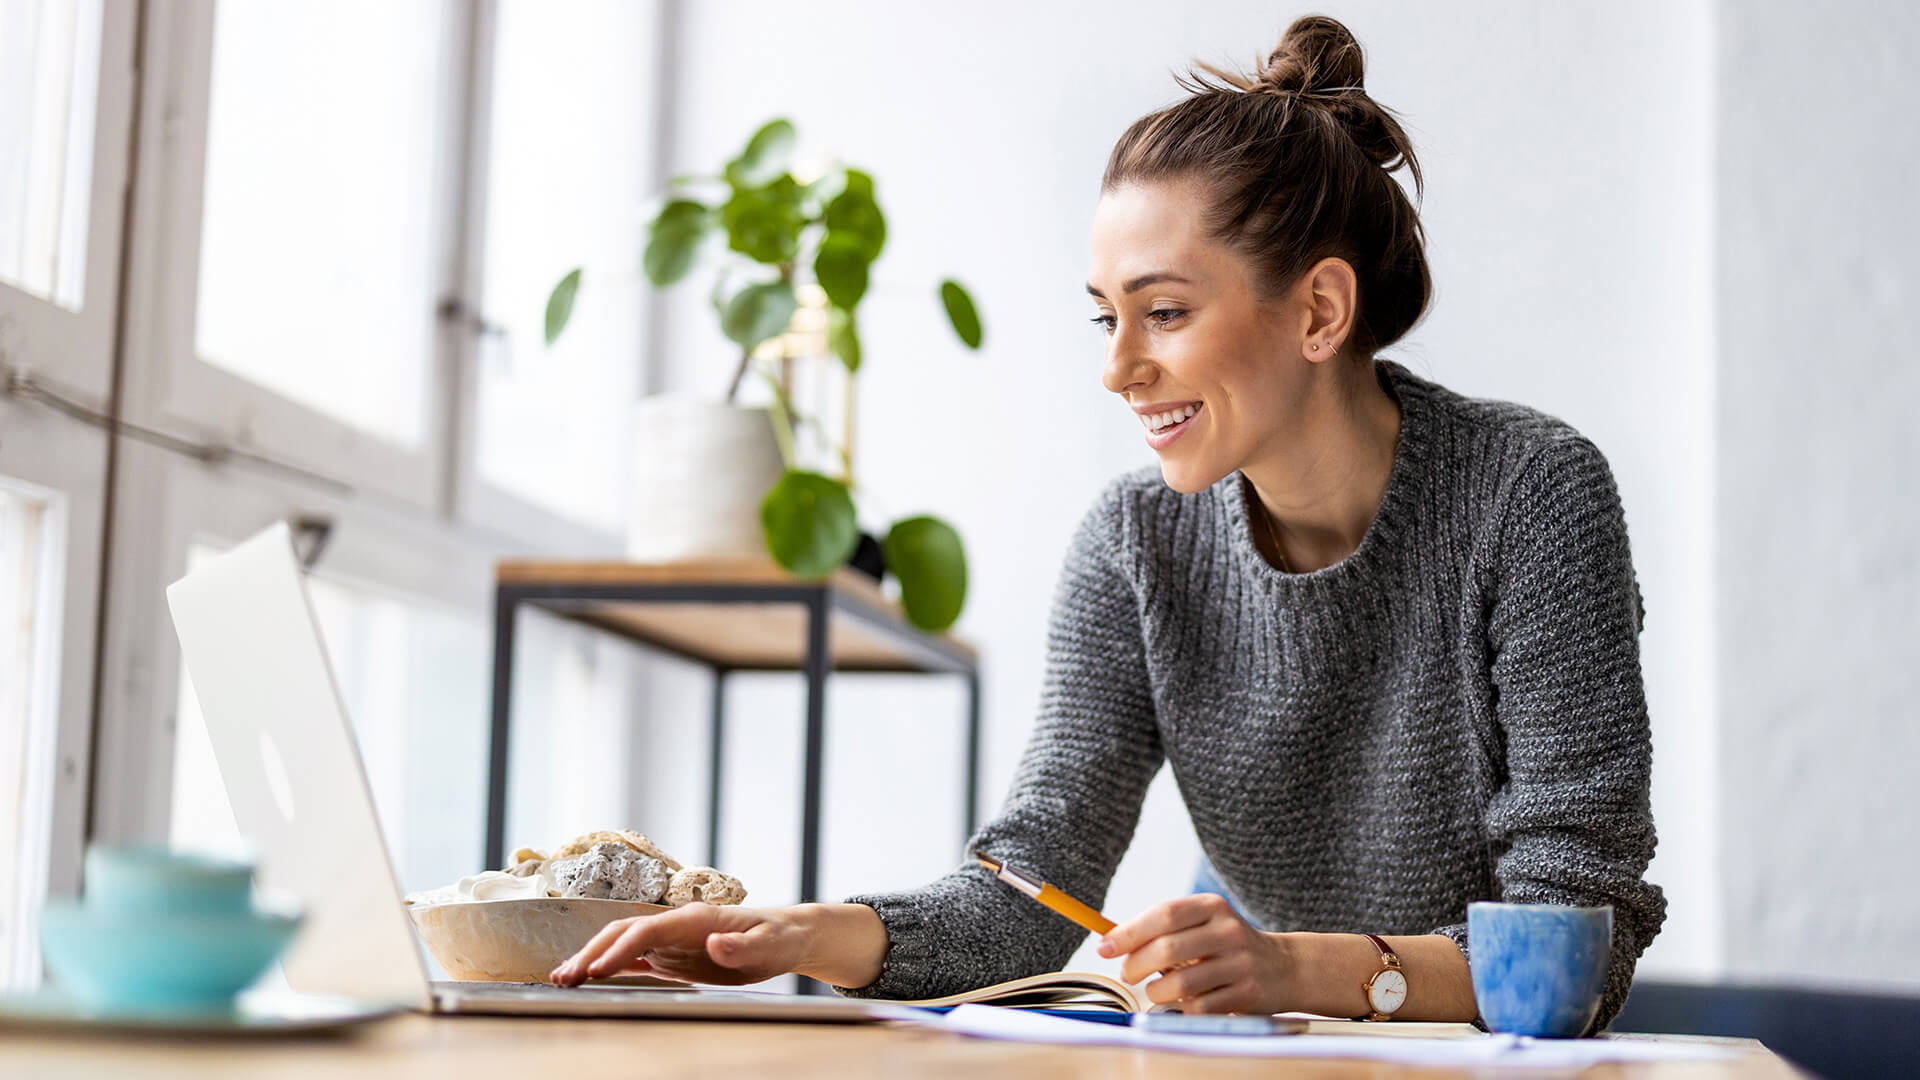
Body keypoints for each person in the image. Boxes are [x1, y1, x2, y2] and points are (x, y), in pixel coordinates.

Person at [551, 13, 1666, 1034]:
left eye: (1165, 313)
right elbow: (1034, 892)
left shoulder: (1532, 495)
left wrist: (1289, 970)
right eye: (1106, 318)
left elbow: (1576, 944)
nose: (1119, 369)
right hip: (1268, 1052)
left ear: (1320, 310)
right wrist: (803, 938)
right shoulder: (1136, 544)